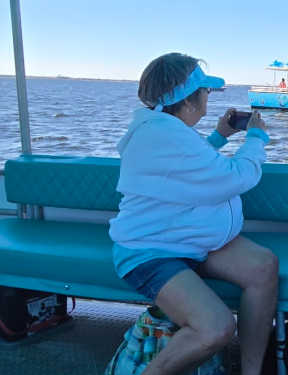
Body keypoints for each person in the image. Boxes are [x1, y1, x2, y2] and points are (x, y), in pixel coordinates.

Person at [109, 53, 278, 375]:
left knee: (263, 266)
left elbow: (186, 166)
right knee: (215, 327)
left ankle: (251, 372)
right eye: (206, 91)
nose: (208, 98)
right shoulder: (163, 133)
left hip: (187, 240)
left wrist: (219, 136)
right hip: (151, 251)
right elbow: (235, 177)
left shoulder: (162, 129)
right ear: (188, 100)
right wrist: (256, 137)